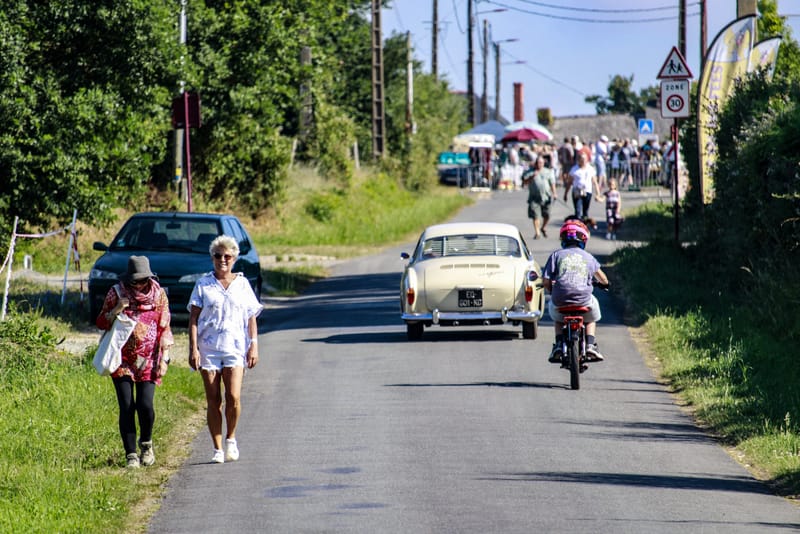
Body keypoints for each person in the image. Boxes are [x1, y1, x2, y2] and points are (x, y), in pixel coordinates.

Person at [188, 235, 262, 464]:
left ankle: (231, 438)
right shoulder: (203, 284)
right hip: (209, 348)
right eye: (218, 256)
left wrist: (253, 346)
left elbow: (251, 317)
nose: (222, 260)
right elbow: (193, 318)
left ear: (234, 258)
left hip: (235, 347)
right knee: (213, 399)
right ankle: (217, 448)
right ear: (212, 258)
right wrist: (193, 349)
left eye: (227, 256)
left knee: (234, 396)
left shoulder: (242, 283)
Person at [96, 255, 173, 468]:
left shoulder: (159, 295)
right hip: (121, 358)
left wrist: (165, 356)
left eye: (142, 280)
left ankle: (146, 444)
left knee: (145, 405)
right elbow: (101, 321)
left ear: (149, 278)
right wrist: (116, 310)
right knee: (127, 405)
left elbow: (165, 326)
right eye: (134, 281)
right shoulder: (117, 292)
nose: (138, 284)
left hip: (149, 358)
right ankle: (131, 454)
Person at [541, 219, 609, 363]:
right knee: (592, 317)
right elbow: (603, 279)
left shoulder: (556, 255)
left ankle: (559, 344)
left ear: (563, 239)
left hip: (560, 299)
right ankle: (590, 345)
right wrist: (605, 284)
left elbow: (546, 281)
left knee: (557, 318)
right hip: (583, 299)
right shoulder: (588, 257)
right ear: (584, 238)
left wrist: (551, 290)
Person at [524, 155, 557, 239]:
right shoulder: (530, 172)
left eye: (541, 163)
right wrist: (532, 176)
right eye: (538, 163)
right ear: (535, 163)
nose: (539, 164)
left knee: (547, 215)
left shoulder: (548, 172)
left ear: (543, 163)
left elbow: (552, 183)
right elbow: (525, 182)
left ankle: (543, 227)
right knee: (535, 215)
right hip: (534, 197)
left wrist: (554, 193)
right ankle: (537, 232)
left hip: (546, 197)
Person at [564, 151, 601, 223]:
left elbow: (595, 182)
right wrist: (566, 194)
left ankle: (584, 228)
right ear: (579, 160)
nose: (583, 161)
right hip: (577, 191)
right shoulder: (574, 169)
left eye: (584, 159)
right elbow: (569, 182)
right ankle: (578, 227)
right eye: (581, 159)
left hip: (587, 191)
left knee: (585, 211)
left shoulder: (590, 169)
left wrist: (598, 193)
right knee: (578, 211)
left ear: (587, 160)